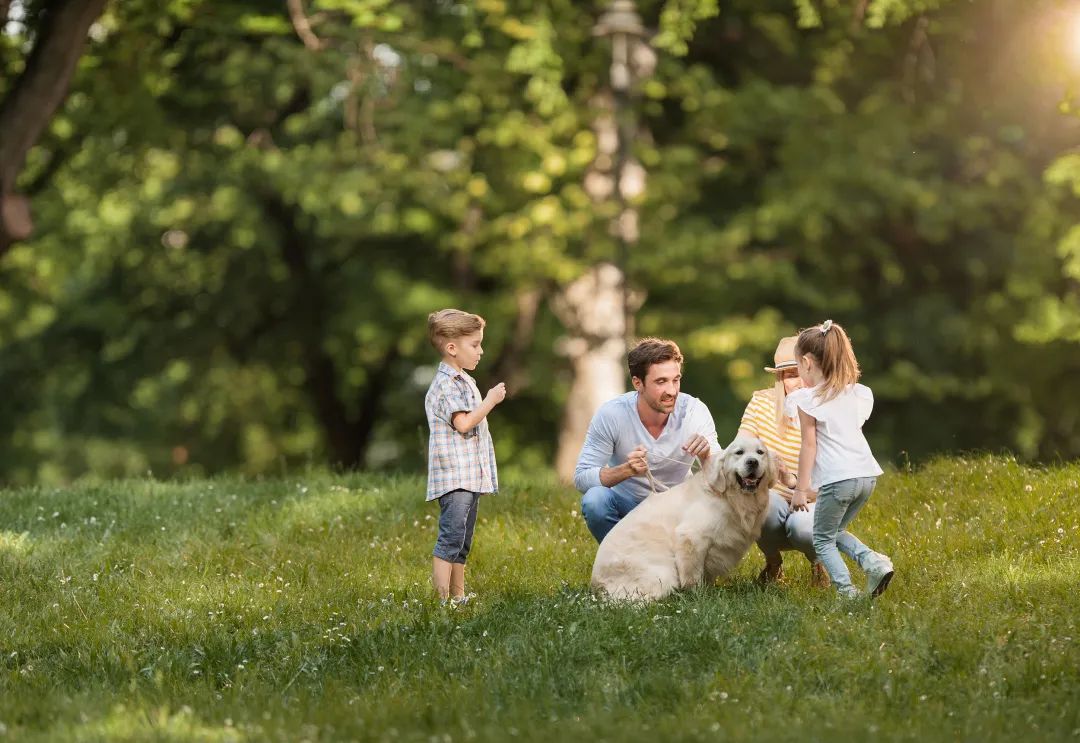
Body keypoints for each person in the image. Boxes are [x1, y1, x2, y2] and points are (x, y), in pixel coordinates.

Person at [785, 319, 894, 598]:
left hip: (838, 480)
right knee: (834, 530)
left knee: (821, 539)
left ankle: (847, 592)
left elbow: (809, 446)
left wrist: (800, 489)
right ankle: (873, 562)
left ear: (807, 363)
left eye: (797, 365)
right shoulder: (854, 393)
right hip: (866, 476)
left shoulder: (807, 399)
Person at [574, 337, 720, 543]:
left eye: (676, 380)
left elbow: (722, 477)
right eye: (661, 382)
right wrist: (626, 470)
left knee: (713, 503)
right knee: (595, 500)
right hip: (629, 508)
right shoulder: (612, 414)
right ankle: (623, 559)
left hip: (679, 509)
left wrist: (707, 456)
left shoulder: (694, 411)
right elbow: (581, 478)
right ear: (637, 383)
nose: (671, 391)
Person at [424, 309, 506, 605]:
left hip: (469, 476)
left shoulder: (464, 380)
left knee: (462, 540)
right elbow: (463, 423)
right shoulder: (447, 384)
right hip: (454, 476)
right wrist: (490, 401)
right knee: (450, 538)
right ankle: (441, 601)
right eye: (475, 344)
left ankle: (458, 597)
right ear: (452, 348)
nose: (481, 351)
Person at [738, 336, 829, 588]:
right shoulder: (762, 403)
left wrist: (797, 485)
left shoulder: (828, 408)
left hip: (814, 498)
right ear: (780, 379)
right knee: (758, 503)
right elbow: (739, 448)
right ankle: (773, 562)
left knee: (802, 528)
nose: (797, 381)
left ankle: (819, 561)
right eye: (789, 375)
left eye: (802, 372)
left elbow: (833, 477)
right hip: (772, 497)